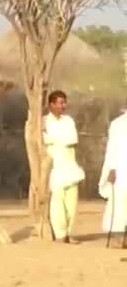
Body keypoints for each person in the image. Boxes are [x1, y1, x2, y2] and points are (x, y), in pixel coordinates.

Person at [43, 90, 84, 243]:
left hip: (70, 166)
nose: (63, 106)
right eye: (60, 103)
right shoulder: (44, 121)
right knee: (57, 204)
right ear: (51, 104)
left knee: (71, 204)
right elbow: (43, 140)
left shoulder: (68, 121)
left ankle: (69, 233)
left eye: (64, 102)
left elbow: (73, 139)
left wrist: (53, 138)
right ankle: (60, 235)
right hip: (55, 167)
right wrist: (56, 139)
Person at [98, 102, 127, 238]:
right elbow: (112, 149)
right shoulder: (118, 124)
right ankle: (117, 237)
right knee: (119, 202)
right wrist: (111, 169)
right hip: (121, 169)